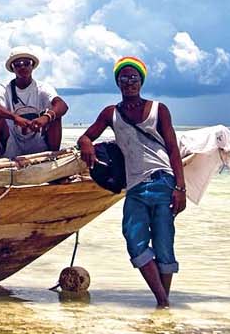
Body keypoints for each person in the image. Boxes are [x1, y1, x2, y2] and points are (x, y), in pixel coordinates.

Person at [75, 56, 187, 307]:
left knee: (163, 243)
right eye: (124, 78)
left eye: (134, 78)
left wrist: (180, 187)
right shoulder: (110, 113)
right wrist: (86, 144)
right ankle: (163, 301)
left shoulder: (159, 109)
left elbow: (172, 149)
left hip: (163, 180)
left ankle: (162, 303)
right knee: (134, 240)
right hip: (135, 186)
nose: (129, 82)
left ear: (141, 81)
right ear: (117, 82)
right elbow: (86, 136)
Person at [0, 49, 68, 161]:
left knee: (56, 116)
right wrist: (15, 118)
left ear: (32, 66)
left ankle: (53, 158)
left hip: (37, 142)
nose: (22, 67)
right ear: (13, 68)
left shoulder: (42, 88)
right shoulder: (4, 88)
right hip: (12, 143)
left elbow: (62, 105)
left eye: (26, 63)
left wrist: (46, 117)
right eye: (17, 65)